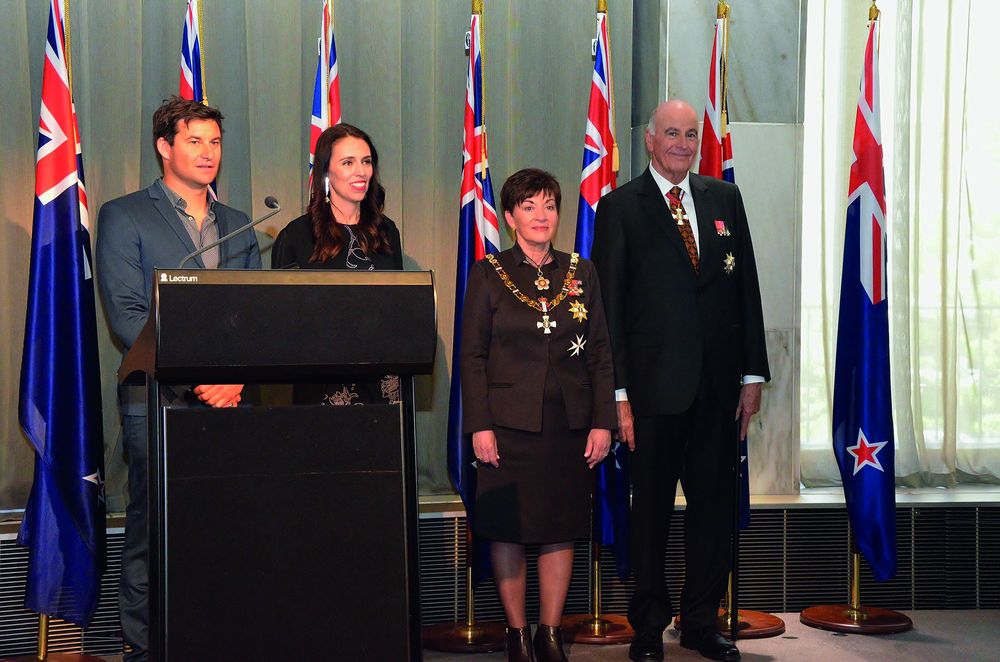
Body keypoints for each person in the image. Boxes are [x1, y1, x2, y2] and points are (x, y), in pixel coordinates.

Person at [590, 100, 769, 662]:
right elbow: (609, 309)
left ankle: (699, 622)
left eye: (690, 135)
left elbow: (748, 291)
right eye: (671, 133)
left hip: (719, 389)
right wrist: (616, 393)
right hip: (650, 394)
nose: (682, 144)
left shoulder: (724, 198)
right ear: (649, 140)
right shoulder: (620, 207)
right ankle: (647, 627)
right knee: (651, 516)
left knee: (713, 511)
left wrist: (753, 371)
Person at [95, 96, 261, 661]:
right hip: (156, 400)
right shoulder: (125, 215)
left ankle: (210, 639)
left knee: (221, 528)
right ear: (165, 147)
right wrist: (199, 379)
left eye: (215, 142)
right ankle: (142, 648)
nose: (208, 152)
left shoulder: (239, 223)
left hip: (230, 404)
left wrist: (233, 381)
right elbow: (127, 314)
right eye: (194, 141)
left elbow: (252, 316)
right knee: (153, 530)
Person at [460, 168, 616, 662]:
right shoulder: (489, 272)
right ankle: (517, 635)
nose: (541, 215)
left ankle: (549, 634)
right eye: (529, 206)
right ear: (509, 217)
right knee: (508, 528)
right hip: (505, 426)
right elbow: (472, 356)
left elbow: (600, 354)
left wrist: (602, 420)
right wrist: (479, 425)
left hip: (568, 426)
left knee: (559, 527)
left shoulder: (581, 271)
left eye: (548, 205)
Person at [270, 123, 403, 405]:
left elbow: (397, 307)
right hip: (321, 385)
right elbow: (283, 320)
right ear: (326, 172)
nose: (361, 171)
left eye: (366, 162)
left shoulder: (386, 231)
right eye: (348, 162)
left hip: (382, 384)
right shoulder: (297, 235)